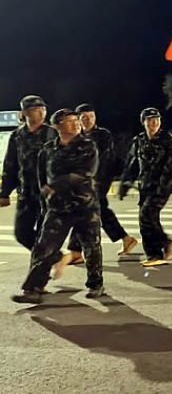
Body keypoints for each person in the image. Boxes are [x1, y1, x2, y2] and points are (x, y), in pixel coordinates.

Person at [11, 109, 104, 304]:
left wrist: (55, 185)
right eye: (70, 121)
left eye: (76, 120)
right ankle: (33, 289)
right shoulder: (48, 150)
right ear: (57, 126)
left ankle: (95, 284)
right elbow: (42, 178)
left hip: (85, 205)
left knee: (91, 246)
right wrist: (44, 199)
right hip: (58, 208)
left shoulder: (87, 146)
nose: (76, 124)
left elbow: (86, 173)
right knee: (44, 247)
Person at [63, 104, 139, 265]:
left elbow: (105, 159)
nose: (88, 120)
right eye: (84, 117)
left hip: (99, 180)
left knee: (83, 211)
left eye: (91, 117)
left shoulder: (103, 135)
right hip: (82, 182)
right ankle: (126, 239)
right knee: (100, 211)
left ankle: (75, 251)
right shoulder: (75, 137)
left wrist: (94, 180)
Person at [119, 108, 172, 265]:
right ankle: (153, 255)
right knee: (145, 219)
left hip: (162, 185)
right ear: (143, 122)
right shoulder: (139, 140)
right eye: (150, 119)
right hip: (145, 185)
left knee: (147, 214)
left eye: (157, 119)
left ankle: (164, 244)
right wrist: (125, 183)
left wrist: (163, 188)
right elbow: (133, 164)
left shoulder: (167, 140)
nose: (154, 122)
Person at [0, 95, 58, 250]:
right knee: (21, 233)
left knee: (45, 234)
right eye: (36, 109)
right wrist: (4, 193)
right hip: (26, 193)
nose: (41, 112)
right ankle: (53, 257)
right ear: (25, 112)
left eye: (43, 109)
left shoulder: (53, 134)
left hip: (48, 194)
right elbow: (10, 165)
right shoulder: (17, 136)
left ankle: (45, 260)